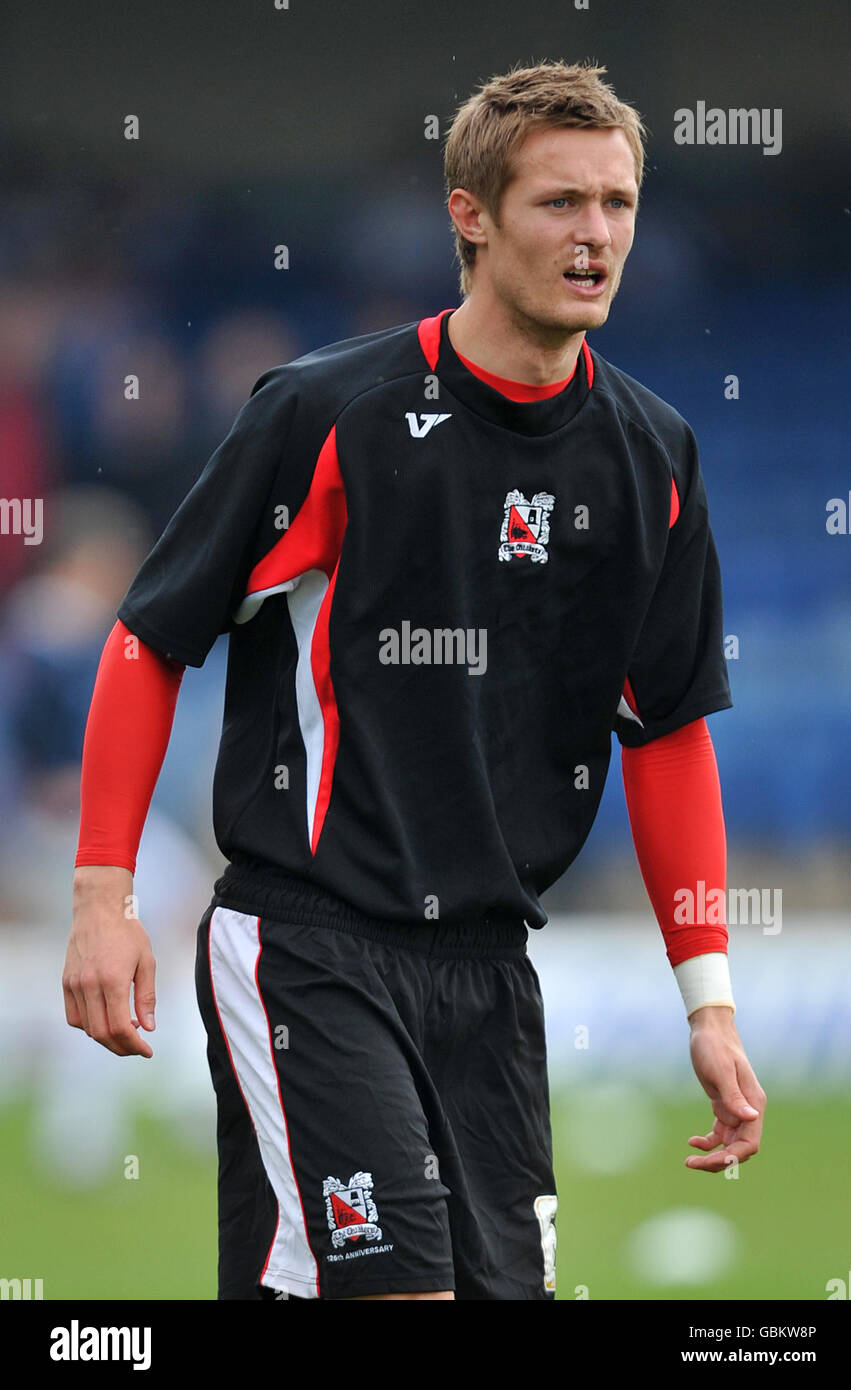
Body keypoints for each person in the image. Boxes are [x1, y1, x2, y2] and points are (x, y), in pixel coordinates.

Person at [64, 59, 766, 1302]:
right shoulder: (327, 410)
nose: (594, 233)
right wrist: (103, 893)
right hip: (312, 939)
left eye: (615, 202)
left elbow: (663, 735)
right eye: (558, 202)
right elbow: (149, 634)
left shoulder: (655, 452)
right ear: (469, 214)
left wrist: (705, 1002)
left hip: (493, 973)